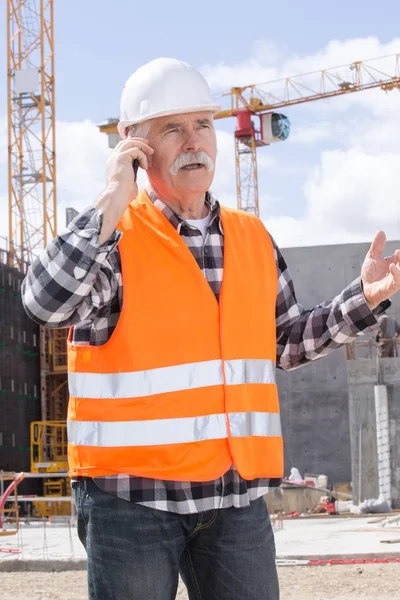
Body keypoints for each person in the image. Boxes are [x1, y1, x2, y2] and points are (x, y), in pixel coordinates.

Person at [22, 58, 400, 600]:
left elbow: (286, 342)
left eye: (202, 124)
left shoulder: (251, 237)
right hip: (131, 501)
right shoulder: (113, 239)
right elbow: (43, 303)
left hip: (233, 500)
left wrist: (362, 299)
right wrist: (111, 199)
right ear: (134, 145)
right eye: (172, 128)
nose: (193, 141)